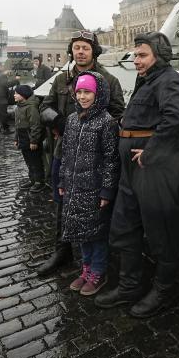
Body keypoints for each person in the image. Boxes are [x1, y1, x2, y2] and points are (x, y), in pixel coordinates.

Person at [96, 32, 179, 317]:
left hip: (153, 168)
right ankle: (129, 287)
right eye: (135, 55)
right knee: (125, 225)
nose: (135, 60)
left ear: (158, 57)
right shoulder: (147, 80)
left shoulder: (170, 79)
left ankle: (163, 291)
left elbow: (178, 119)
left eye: (142, 55)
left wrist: (150, 153)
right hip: (132, 169)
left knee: (161, 231)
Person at [36, 30, 124, 276]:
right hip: (64, 152)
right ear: (71, 51)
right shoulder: (60, 80)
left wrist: (95, 128)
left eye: (85, 47)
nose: (81, 52)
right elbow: (45, 107)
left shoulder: (109, 80)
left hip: (93, 158)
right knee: (63, 201)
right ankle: (62, 250)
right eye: (76, 48)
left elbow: (118, 113)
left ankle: (96, 262)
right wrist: (60, 123)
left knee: (95, 209)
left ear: (93, 50)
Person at [59, 73, 120, 296]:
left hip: (94, 188)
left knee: (97, 234)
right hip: (75, 186)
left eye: (88, 92)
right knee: (81, 231)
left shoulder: (106, 122)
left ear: (98, 93)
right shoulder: (73, 120)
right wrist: (63, 180)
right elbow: (66, 153)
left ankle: (98, 271)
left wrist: (107, 189)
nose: (83, 96)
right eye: (80, 92)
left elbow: (111, 159)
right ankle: (86, 269)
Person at [13, 85, 46, 192]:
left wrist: (34, 141)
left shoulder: (31, 107)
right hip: (23, 137)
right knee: (28, 161)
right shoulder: (19, 106)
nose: (14, 95)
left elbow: (35, 125)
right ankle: (32, 179)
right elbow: (17, 124)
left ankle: (39, 181)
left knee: (35, 161)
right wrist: (16, 138)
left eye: (17, 93)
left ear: (23, 95)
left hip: (30, 138)